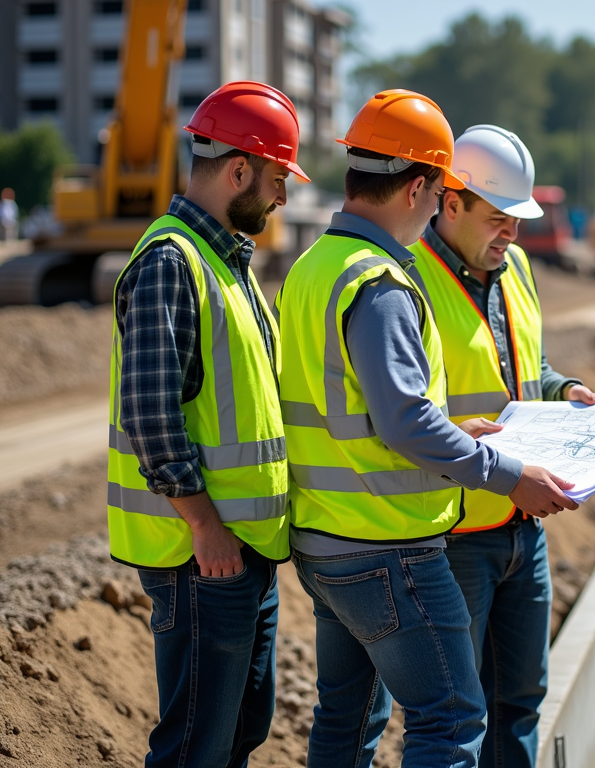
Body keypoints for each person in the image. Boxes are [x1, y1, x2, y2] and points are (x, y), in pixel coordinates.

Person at [274, 90, 580, 768]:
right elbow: (406, 417)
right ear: (423, 189)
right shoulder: (382, 280)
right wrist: (505, 471)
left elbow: (364, 406)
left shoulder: (313, 267)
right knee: (450, 718)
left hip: (331, 533)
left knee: (348, 722)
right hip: (392, 539)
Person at [107, 81, 308, 768]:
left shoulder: (232, 266)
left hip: (242, 549)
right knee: (195, 747)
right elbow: (148, 414)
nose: (283, 196)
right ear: (241, 169)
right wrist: (204, 525)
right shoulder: (172, 262)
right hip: (203, 556)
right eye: (279, 178)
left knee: (239, 733)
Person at [406, 124, 595, 768]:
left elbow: (527, 371)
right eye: (499, 218)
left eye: (519, 220)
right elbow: (403, 411)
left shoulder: (517, 269)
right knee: (460, 714)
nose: (512, 234)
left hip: (527, 525)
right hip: (458, 533)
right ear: (451, 201)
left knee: (520, 699)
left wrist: (564, 388)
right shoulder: (408, 280)